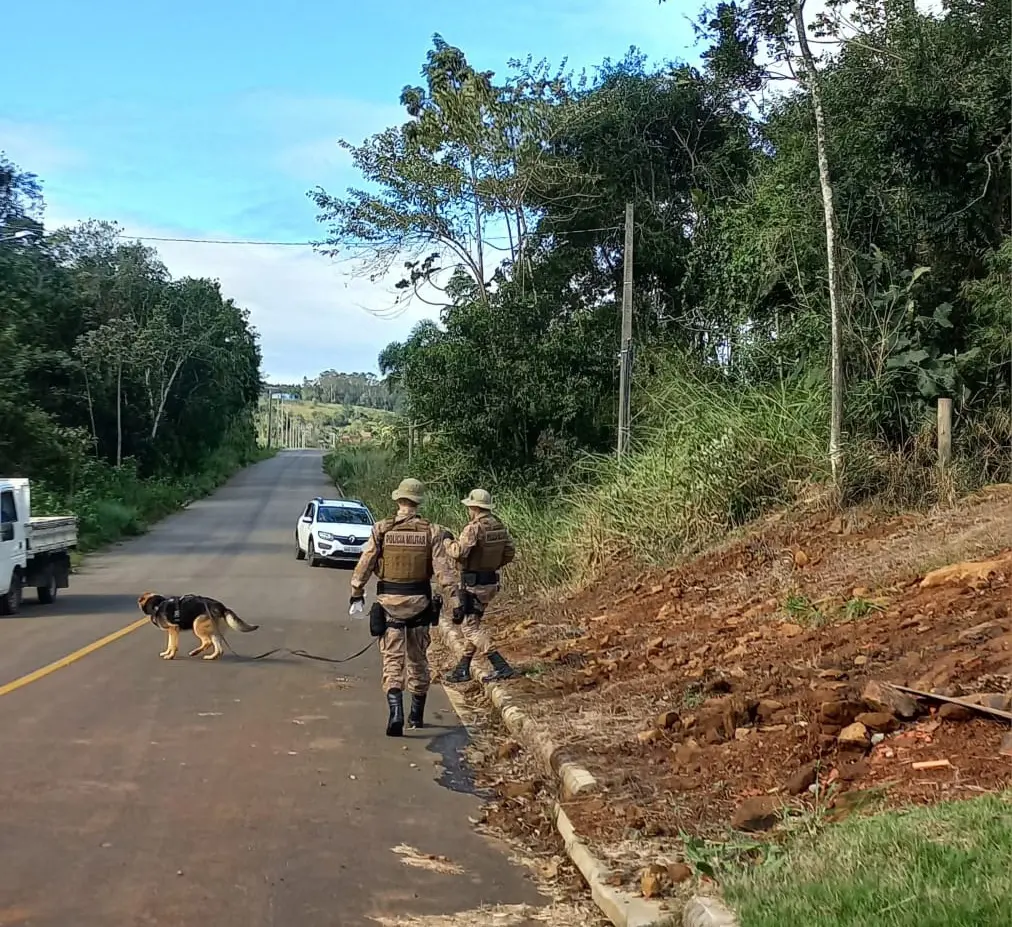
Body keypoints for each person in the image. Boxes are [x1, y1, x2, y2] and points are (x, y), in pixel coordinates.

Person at [349, 478, 457, 736]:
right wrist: (455, 601)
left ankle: (395, 712)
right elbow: (444, 573)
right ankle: (416, 717)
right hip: (420, 606)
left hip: (389, 607)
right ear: (418, 503)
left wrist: (356, 592)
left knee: (392, 661)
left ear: (398, 501)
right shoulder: (432, 532)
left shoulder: (382, 529)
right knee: (419, 661)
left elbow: (364, 565)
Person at [442, 488, 519, 684]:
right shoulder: (498, 526)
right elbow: (510, 552)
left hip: (473, 584)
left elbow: (459, 552)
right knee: (473, 623)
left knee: (470, 629)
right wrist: (492, 565)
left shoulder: (474, 528)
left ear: (474, 507)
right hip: (490, 582)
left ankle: (501, 666)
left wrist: (447, 542)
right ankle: (463, 668)